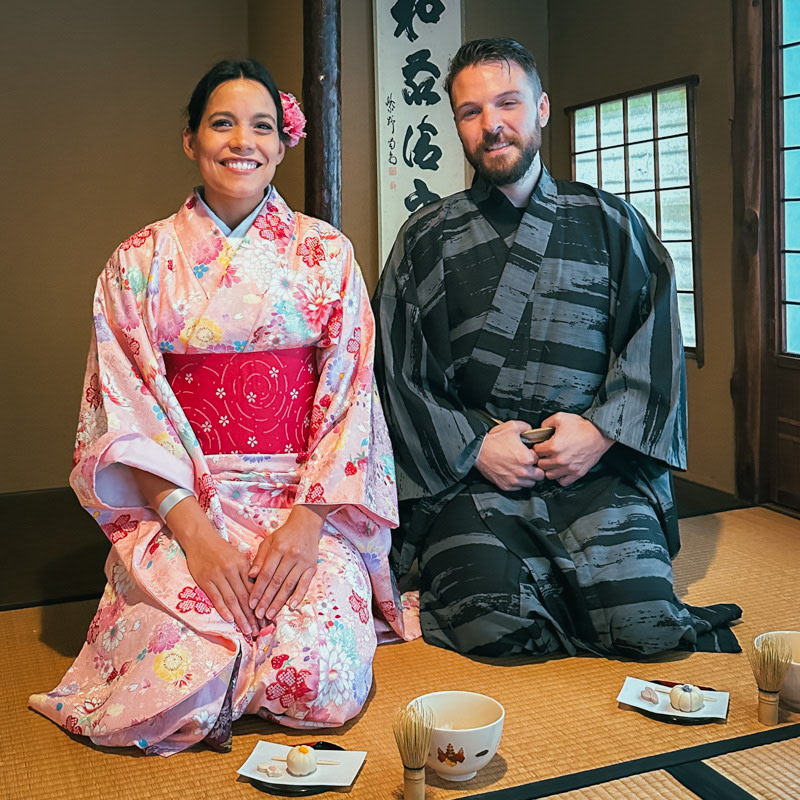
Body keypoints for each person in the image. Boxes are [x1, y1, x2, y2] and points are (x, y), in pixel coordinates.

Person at [30, 59, 417, 756]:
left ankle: (247, 676)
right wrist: (197, 537)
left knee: (323, 678)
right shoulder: (139, 262)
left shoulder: (326, 255)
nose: (244, 140)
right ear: (191, 139)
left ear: (282, 141)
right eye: (223, 123)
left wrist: (306, 524)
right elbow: (125, 414)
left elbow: (351, 399)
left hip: (302, 500)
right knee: (172, 668)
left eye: (262, 126)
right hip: (182, 502)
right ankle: (220, 675)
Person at [372, 38, 741, 659]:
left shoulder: (610, 223)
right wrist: (475, 445)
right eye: (471, 112)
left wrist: (599, 433)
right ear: (458, 124)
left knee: (647, 625)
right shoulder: (426, 238)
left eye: (508, 103)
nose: (492, 125)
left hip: (595, 469)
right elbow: (399, 372)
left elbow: (651, 349)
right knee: (496, 631)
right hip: (477, 478)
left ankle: (594, 601)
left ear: (541, 108)